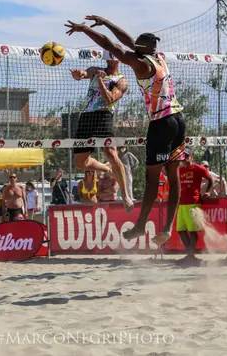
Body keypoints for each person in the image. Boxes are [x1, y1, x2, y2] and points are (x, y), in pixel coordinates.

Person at [65, 15, 186, 245]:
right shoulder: (158, 57)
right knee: (173, 175)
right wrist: (107, 23)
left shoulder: (141, 65)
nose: (133, 45)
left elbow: (112, 46)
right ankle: (168, 227)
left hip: (162, 122)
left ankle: (140, 224)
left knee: (152, 178)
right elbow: (128, 41)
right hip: (179, 119)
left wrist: (85, 30)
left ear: (142, 49)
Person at [69, 51, 134, 212]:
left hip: (104, 115)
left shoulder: (121, 81)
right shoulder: (95, 70)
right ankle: (106, 169)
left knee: (111, 153)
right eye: (108, 58)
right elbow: (83, 74)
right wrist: (78, 75)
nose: (110, 61)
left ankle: (125, 195)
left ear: (119, 59)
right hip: (86, 116)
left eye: (113, 58)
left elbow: (110, 99)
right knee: (80, 163)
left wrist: (100, 82)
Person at [177, 150, 213, 263]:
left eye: (187, 157)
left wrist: (208, 192)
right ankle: (190, 253)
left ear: (191, 157)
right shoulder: (179, 169)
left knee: (193, 231)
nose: (185, 159)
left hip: (193, 202)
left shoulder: (199, 168)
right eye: (183, 158)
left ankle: (191, 255)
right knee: (180, 230)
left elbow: (211, 179)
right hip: (181, 204)